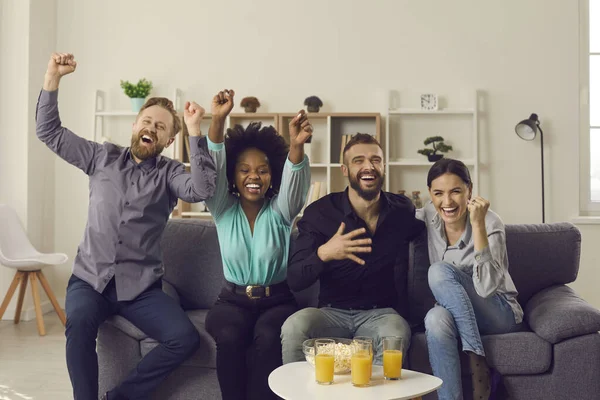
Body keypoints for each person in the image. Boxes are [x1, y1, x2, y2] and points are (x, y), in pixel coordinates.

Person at [36, 53, 216, 400]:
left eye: (161, 126)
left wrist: (195, 131)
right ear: (135, 126)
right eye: (147, 121)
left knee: (184, 338)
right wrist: (52, 77)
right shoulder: (100, 157)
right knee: (79, 323)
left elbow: (203, 189)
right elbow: (49, 131)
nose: (152, 127)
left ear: (166, 141)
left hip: (142, 290)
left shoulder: (171, 173)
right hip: (89, 279)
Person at [203, 89, 311, 400]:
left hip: (277, 300)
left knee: (268, 336)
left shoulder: (281, 211)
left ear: (272, 174)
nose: (254, 176)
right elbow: (213, 162)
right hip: (232, 301)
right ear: (233, 177)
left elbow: (294, 183)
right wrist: (218, 120)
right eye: (245, 170)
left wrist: (296, 146)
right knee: (229, 334)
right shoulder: (222, 208)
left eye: (262, 170)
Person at [281, 133, 424, 365]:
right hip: (331, 312)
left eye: (375, 160)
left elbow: (428, 231)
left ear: (384, 166)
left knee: (396, 332)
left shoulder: (402, 210)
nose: (369, 166)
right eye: (358, 160)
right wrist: (325, 253)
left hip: (381, 313)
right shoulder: (320, 212)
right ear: (345, 169)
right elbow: (295, 279)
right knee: (294, 326)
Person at [418, 158, 523, 400]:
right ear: (430, 195)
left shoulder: (490, 222)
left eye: (456, 191)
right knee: (435, 318)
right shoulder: (428, 217)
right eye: (438, 193)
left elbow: (487, 288)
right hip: (457, 315)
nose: (447, 202)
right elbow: (391, 212)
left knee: (438, 271)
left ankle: (477, 360)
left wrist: (477, 225)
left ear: (470, 190)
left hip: (498, 312)